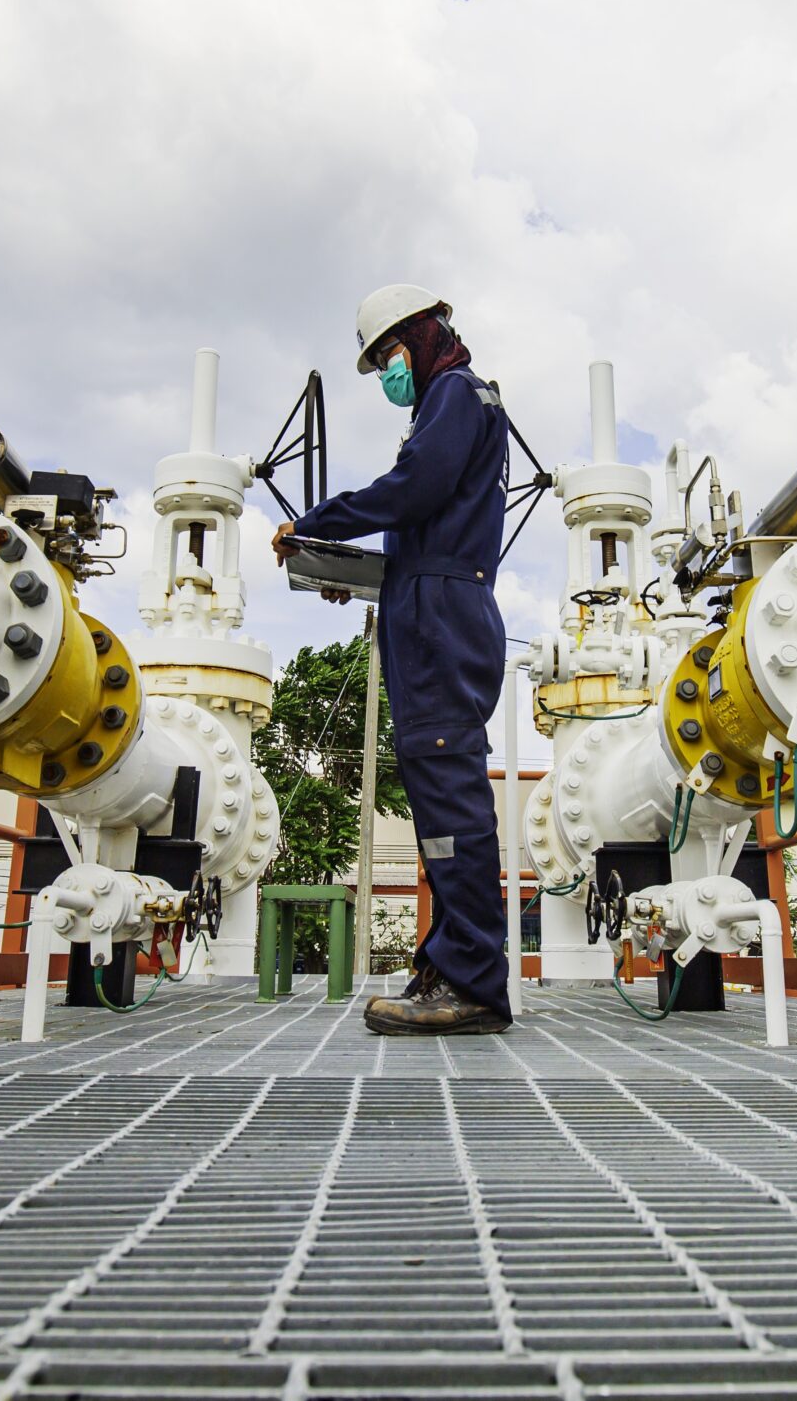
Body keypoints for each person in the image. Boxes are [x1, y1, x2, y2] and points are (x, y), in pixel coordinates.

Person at [272, 285, 511, 1035]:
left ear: (420, 334)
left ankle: (473, 982)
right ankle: (452, 965)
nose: (386, 376)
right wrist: (357, 572)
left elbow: (413, 491)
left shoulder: (455, 395)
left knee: (451, 798)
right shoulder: (451, 402)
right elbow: (431, 528)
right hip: (431, 609)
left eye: (388, 357)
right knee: (441, 803)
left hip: (441, 621)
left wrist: (316, 521)